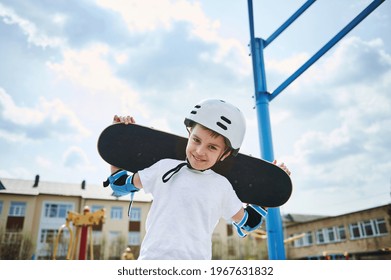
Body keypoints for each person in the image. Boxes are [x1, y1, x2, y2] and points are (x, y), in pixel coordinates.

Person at [105, 99, 290, 260]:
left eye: (212, 147)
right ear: (189, 134)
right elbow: (120, 186)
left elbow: (247, 223)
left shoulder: (221, 186)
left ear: (224, 154)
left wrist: (270, 189)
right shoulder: (164, 167)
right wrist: (119, 140)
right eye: (196, 140)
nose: (200, 151)